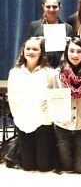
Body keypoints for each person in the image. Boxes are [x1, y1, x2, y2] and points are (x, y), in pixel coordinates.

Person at [7, 37, 56, 171]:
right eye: (28, 48)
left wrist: (50, 107)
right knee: (29, 166)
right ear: (23, 51)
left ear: (42, 52)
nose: (31, 52)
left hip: (43, 122)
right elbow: (12, 98)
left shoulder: (50, 73)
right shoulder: (14, 73)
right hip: (24, 121)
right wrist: (17, 118)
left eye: (35, 49)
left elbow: (56, 96)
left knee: (44, 167)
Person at [54, 37, 81, 174]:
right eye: (71, 51)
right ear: (66, 52)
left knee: (80, 169)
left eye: (79, 51)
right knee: (66, 166)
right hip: (63, 126)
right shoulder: (58, 74)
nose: (75, 55)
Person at [27, 0, 74, 69]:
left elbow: (73, 53)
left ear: (60, 7)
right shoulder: (34, 26)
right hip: (40, 69)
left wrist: (70, 45)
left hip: (62, 70)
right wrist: (36, 43)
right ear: (43, 7)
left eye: (54, 7)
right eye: (48, 7)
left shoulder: (68, 28)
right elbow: (27, 50)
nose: (51, 9)